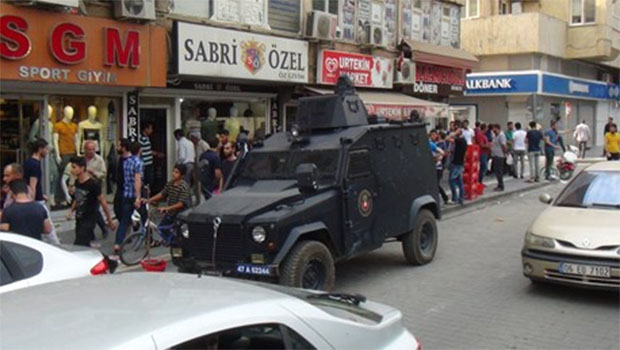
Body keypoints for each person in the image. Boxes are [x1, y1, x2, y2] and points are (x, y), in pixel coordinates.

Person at [66, 157, 116, 247]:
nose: (71, 170)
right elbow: (78, 199)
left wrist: (109, 220)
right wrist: (71, 211)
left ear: (82, 168)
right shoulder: (77, 182)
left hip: (89, 219)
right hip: (79, 218)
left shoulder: (93, 184)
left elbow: (103, 202)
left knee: (78, 245)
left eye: (74, 167)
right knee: (84, 246)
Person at [24, 139, 60, 244]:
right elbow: (32, 185)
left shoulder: (28, 162)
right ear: (40, 149)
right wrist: (33, 202)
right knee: (49, 228)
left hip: (35, 198)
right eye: (46, 149)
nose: (47, 151)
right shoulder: (35, 165)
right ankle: (57, 246)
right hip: (36, 201)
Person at [145, 164, 191, 236]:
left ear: (181, 175)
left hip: (180, 214)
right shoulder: (170, 183)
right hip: (171, 213)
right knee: (161, 228)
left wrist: (167, 208)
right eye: (174, 171)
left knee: (177, 233)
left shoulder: (184, 187)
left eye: (177, 172)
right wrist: (149, 200)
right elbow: (162, 194)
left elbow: (181, 203)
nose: (174, 174)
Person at [114, 141, 143, 253]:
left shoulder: (126, 162)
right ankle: (147, 239)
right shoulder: (137, 162)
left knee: (124, 220)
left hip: (126, 194)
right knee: (144, 216)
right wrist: (138, 197)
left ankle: (118, 243)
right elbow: (137, 180)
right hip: (133, 194)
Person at [448, 126, 467, 205]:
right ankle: (461, 197)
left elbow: (448, 138)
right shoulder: (464, 140)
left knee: (451, 180)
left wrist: (455, 133)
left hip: (456, 163)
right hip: (460, 162)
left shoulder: (459, 140)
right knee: (459, 181)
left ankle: (455, 198)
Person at [490, 124, 507, 191]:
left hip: (499, 155)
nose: (493, 130)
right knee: (496, 171)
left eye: (494, 129)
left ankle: (501, 185)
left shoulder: (501, 135)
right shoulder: (495, 135)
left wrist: (505, 153)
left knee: (499, 171)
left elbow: (504, 145)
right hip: (495, 155)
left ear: (497, 128)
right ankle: (499, 184)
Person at [139, 122, 155, 189]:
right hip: (145, 164)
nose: (152, 130)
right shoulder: (142, 139)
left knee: (149, 181)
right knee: (147, 181)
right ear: (146, 129)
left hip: (149, 163)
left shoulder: (146, 138)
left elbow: (147, 150)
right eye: (150, 128)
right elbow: (140, 150)